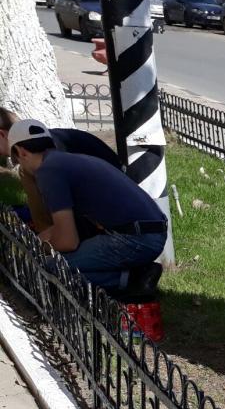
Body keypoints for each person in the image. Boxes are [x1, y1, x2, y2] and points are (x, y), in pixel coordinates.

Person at [7, 119, 165, 296]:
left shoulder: (47, 172)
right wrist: (39, 239)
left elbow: (68, 241)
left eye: (16, 160)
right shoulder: (61, 160)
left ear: (21, 152)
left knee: (45, 268)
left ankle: (132, 278)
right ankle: (133, 271)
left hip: (137, 239)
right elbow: (61, 228)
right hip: (148, 231)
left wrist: (38, 249)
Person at [1, 108, 121, 232]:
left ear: (2, 135)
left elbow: (65, 231)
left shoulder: (46, 159)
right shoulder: (43, 145)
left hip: (114, 222)